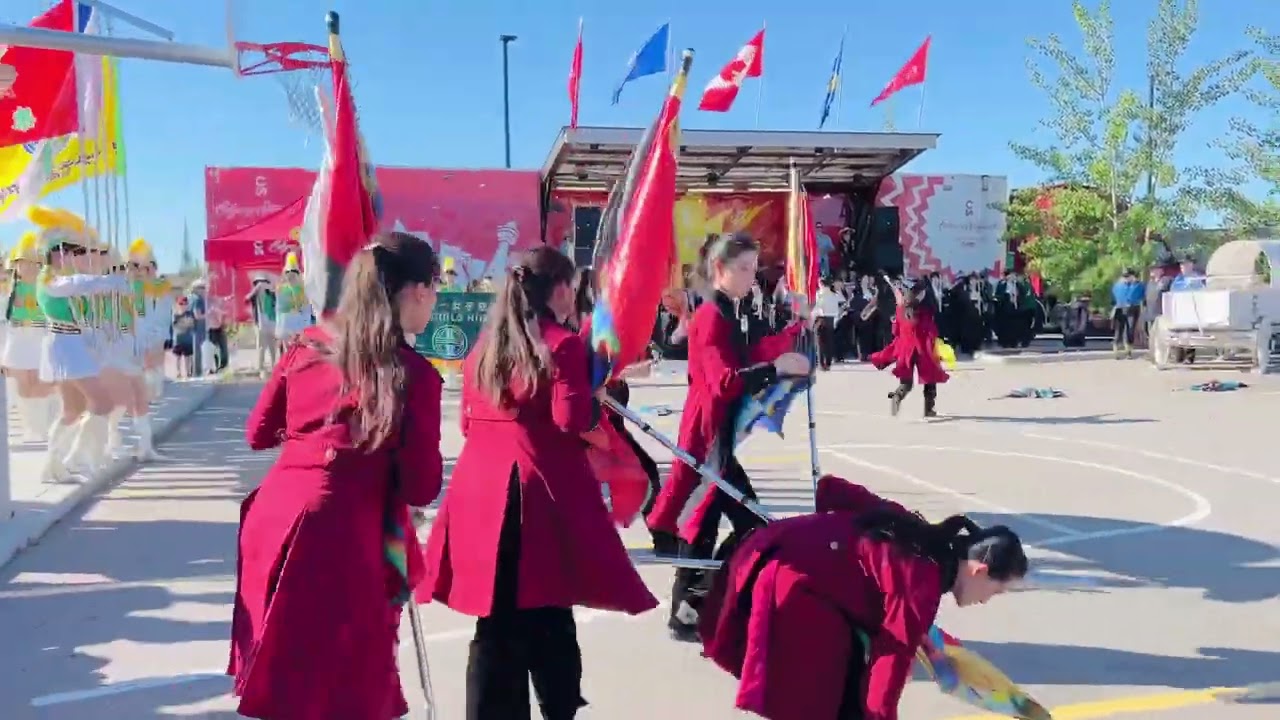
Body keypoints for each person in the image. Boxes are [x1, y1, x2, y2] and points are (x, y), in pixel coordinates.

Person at [419, 247, 657, 720]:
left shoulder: (484, 345)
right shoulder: (562, 344)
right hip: (536, 496)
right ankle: (559, 705)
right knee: (549, 611)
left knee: (494, 623)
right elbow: (570, 420)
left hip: (479, 493)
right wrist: (598, 397)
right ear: (562, 289)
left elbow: (467, 425)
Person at [229, 231, 445, 720]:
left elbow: (258, 433)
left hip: (276, 520)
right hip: (341, 534)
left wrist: (316, 434)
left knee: (287, 677)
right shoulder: (412, 372)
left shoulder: (306, 346)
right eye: (434, 291)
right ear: (416, 290)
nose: (434, 304)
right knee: (345, 689)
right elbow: (422, 486)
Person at [700, 475, 1029, 720]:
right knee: (817, 701)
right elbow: (890, 663)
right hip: (795, 587)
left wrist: (829, 535)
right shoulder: (923, 581)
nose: (987, 600)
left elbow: (832, 489)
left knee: (849, 681)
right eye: (996, 590)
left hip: (780, 557)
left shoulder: (915, 529)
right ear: (979, 570)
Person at [645, 233, 810, 641]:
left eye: (754, 268)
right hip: (706, 439)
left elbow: (749, 355)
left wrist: (794, 331)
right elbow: (723, 382)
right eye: (743, 268)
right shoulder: (710, 316)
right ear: (719, 269)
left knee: (710, 523)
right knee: (732, 523)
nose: (751, 277)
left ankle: (690, 612)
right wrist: (776, 367)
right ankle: (696, 610)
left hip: (715, 437)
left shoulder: (726, 312)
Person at [870, 277, 949, 418]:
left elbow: (895, 331)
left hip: (905, 349)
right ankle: (929, 409)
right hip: (922, 349)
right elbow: (932, 330)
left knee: (906, 382)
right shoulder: (925, 310)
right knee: (930, 379)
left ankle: (897, 396)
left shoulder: (900, 310)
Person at [1110, 268, 1144, 359]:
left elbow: (1142, 296)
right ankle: (1116, 349)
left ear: (1133, 276)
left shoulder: (1138, 285)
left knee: (1130, 329)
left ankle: (1128, 350)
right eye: (1125, 277)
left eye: (1128, 276)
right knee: (1119, 329)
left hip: (1133, 308)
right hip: (1120, 307)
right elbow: (1113, 297)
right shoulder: (1118, 285)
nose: (1126, 279)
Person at [812, 277, 844, 371]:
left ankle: (822, 364)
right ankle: (828, 363)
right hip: (831, 319)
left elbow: (817, 306)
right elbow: (843, 301)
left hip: (821, 318)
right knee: (829, 342)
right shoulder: (834, 294)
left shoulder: (819, 293)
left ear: (821, 284)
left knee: (820, 343)